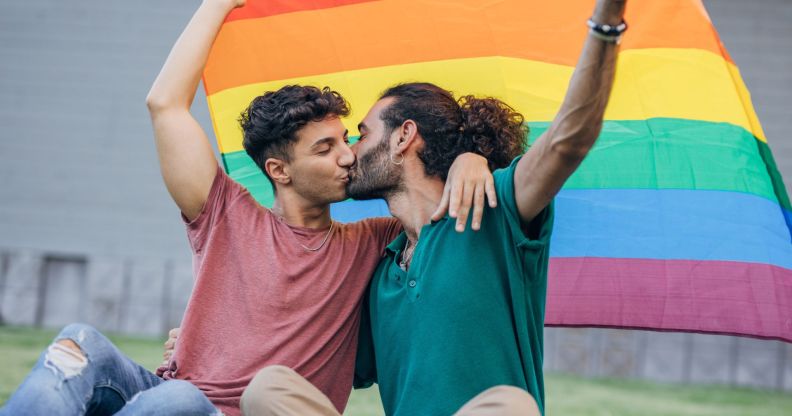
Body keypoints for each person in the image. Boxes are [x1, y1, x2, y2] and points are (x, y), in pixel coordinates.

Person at [0, 0, 495, 415]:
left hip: (213, 408)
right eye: (324, 149)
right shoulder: (224, 214)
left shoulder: (373, 242)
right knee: (78, 342)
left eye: (345, 139)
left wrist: (471, 160)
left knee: (178, 400)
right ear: (279, 171)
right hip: (168, 397)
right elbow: (165, 104)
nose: (348, 155)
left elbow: (436, 202)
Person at [243, 0, 628, 415]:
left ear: (403, 136)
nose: (349, 154)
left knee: (512, 406)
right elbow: (306, 350)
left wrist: (606, 24)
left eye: (361, 135)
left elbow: (567, 140)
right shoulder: (381, 269)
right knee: (269, 388)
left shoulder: (494, 209)